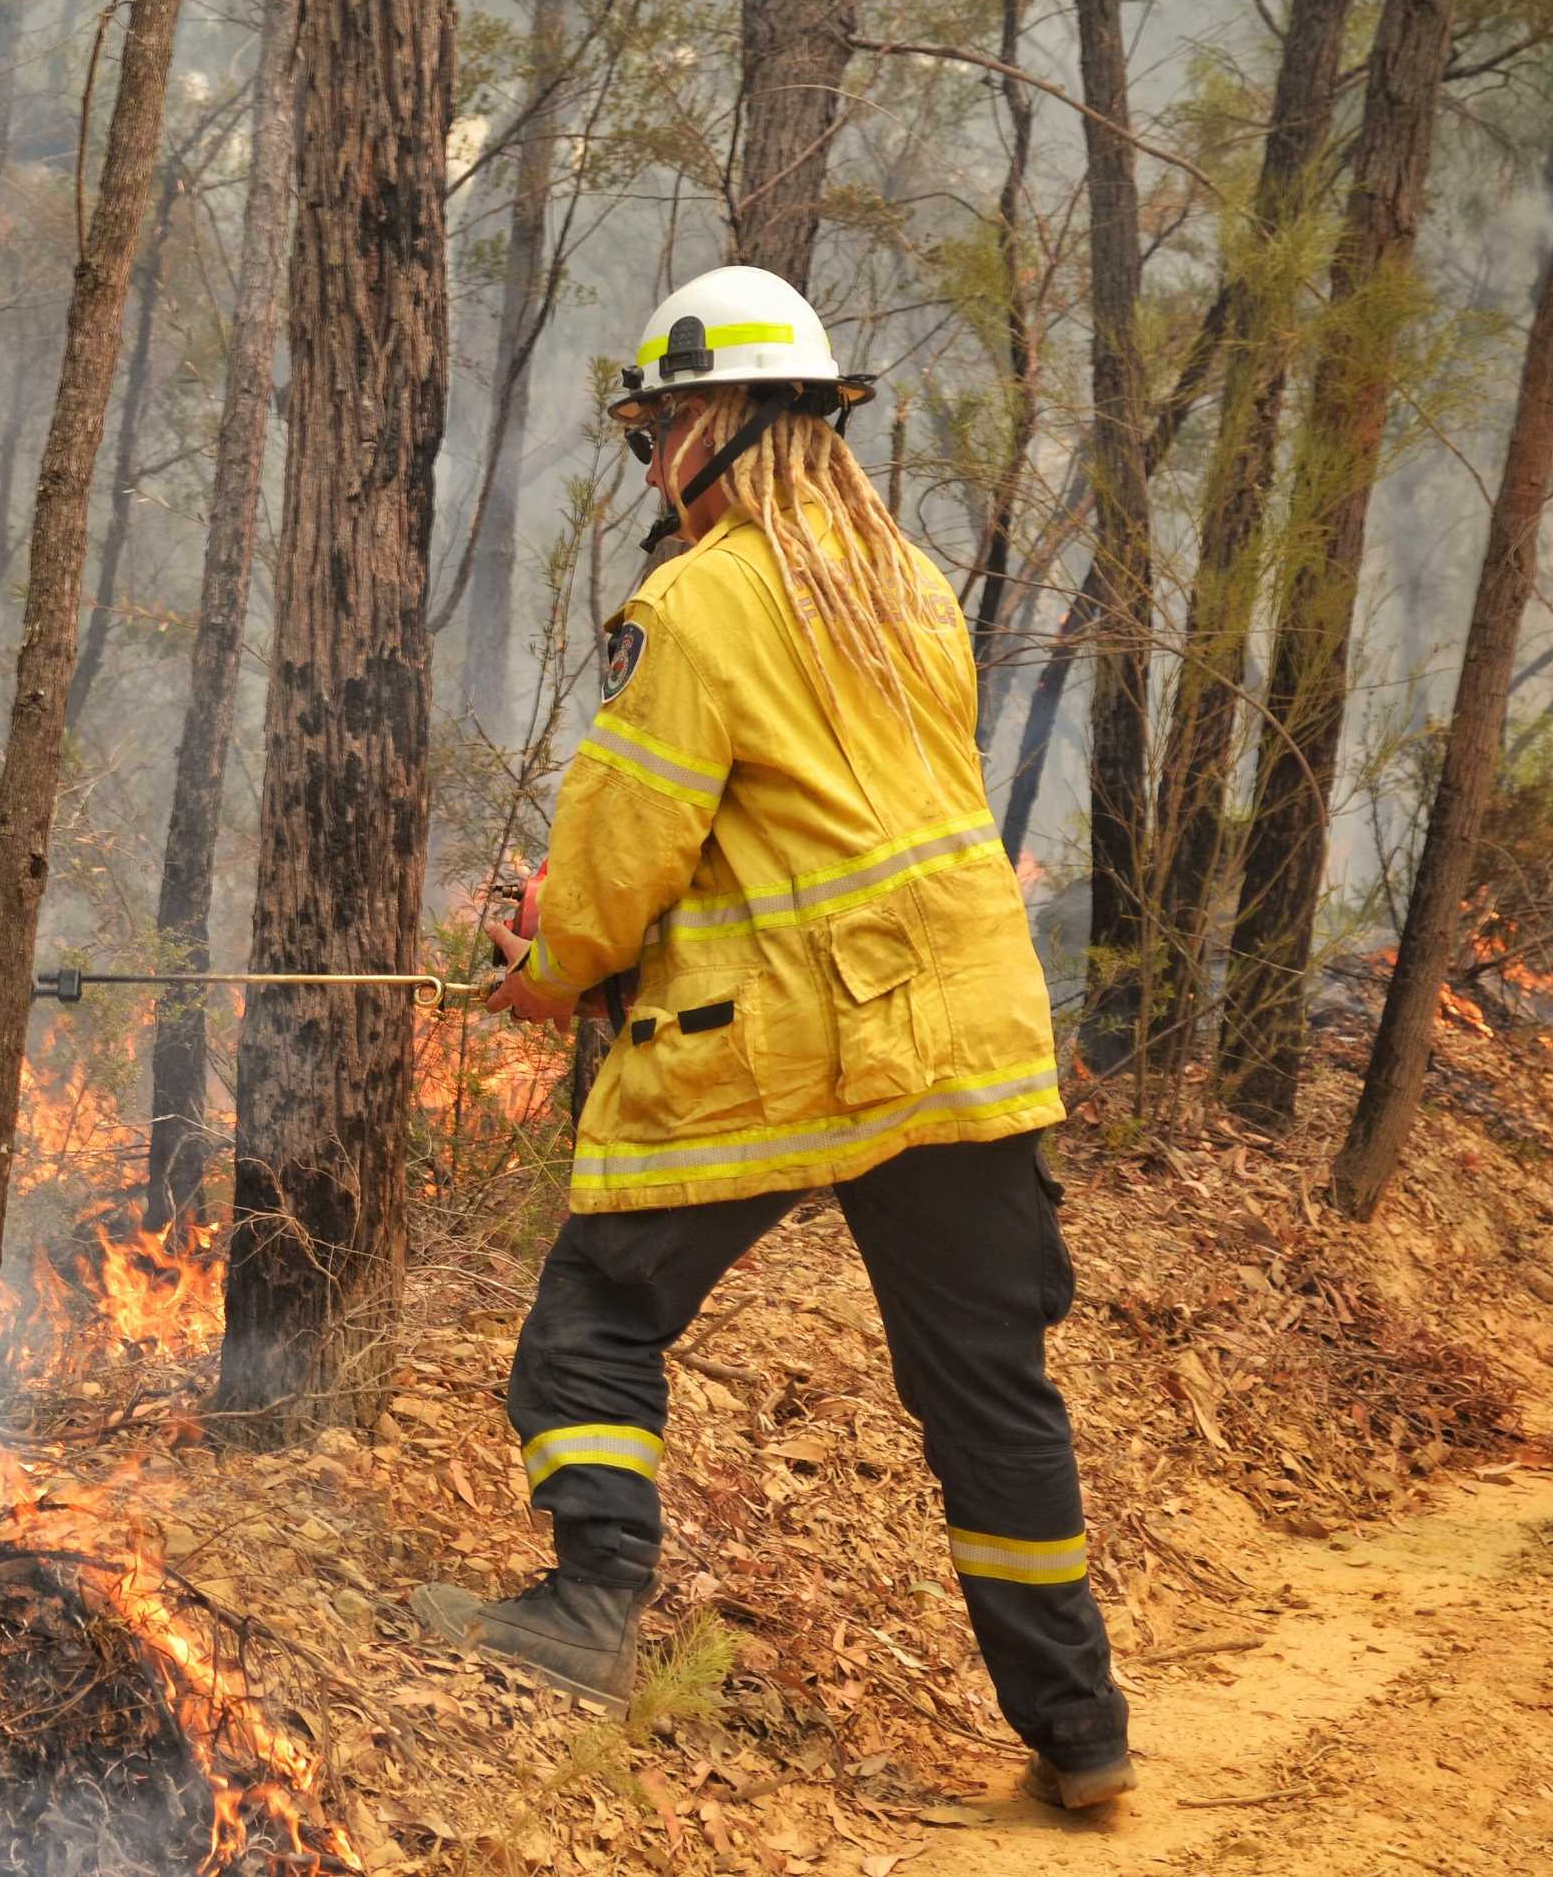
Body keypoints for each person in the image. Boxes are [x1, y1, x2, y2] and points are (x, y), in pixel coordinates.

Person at [410, 266, 1134, 1810]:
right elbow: (815, 825)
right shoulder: (907, 588)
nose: (651, 455)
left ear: (720, 419)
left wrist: (549, 964)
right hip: (974, 1041)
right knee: (988, 1395)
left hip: (798, 1049)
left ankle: (590, 1613)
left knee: (593, 1319)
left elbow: (625, 861)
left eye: (659, 423)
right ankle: (1080, 1734)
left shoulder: (698, 598)